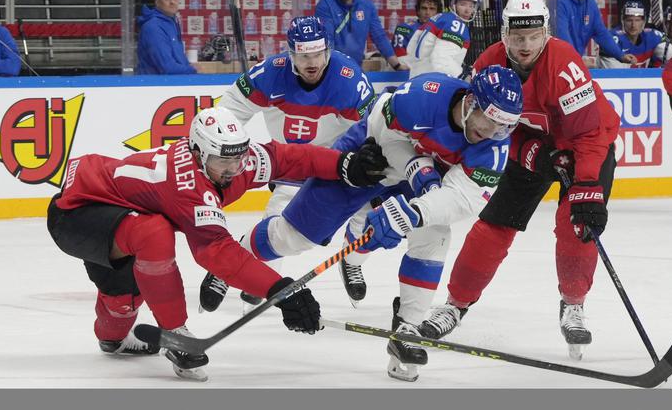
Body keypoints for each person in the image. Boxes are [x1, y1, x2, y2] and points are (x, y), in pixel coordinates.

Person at [222, 66, 523, 382]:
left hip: (422, 182)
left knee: (435, 233)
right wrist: (418, 170)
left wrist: (416, 210)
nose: (491, 133)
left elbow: (463, 198)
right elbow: (385, 131)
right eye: (489, 121)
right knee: (294, 236)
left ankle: (407, 329)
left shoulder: (493, 147)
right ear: (471, 101)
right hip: (370, 156)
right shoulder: (425, 93)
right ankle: (235, 257)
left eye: (503, 127)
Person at [46, 107, 388, 382]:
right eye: (224, 161)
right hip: (76, 215)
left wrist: (343, 165)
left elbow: (287, 159)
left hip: (117, 212)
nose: (235, 168)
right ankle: (175, 332)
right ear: (198, 153)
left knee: (121, 305)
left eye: (238, 158)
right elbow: (217, 253)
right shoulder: (188, 188)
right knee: (154, 233)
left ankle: (114, 333)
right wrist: (280, 289)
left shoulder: (231, 158)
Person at [416, 0, 620, 368]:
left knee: (576, 226)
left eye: (534, 36)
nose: (526, 46)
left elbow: (590, 134)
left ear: (546, 33)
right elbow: (486, 128)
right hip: (531, 144)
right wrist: (531, 155)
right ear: (505, 34)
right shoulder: (486, 66)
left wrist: (587, 190)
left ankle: (573, 304)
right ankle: (456, 304)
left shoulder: (565, 65)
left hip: (587, 144)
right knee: (493, 225)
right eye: (518, 37)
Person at [197, 15, 377, 312]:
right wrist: (224, 151)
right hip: (292, 162)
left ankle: (353, 261)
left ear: (328, 50)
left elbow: (373, 128)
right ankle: (232, 269)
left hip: (339, 161)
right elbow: (228, 112)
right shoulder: (270, 73)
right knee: (277, 228)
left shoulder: (349, 80)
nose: (312, 62)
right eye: (303, 54)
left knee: (371, 214)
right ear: (290, 53)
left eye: (318, 53)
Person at [315, 0, 407, 70]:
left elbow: (379, 37)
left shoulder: (366, 6)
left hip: (356, 67)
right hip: (332, 67)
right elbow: (327, 39)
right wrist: (330, 69)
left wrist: (397, 65)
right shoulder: (325, 5)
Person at [557, 0, 637, 68]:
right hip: (559, 62)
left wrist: (621, 55)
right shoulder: (560, 3)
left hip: (573, 62)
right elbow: (563, 37)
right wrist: (575, 60)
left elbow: (602, 34)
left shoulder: (591, 4)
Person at [404, 0, 478, 79]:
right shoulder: (456, 24)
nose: (467, 10)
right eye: (462, 4)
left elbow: (410, 52)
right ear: (453, 4)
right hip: (433, 83)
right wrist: (464, 76)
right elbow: (441, 60)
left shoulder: (439, 18)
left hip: (415, 79)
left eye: (471, 6)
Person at [136, 0, 197, 75]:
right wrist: (193, 70)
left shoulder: (172, 23)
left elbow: (179, 60)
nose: (172, 2)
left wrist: (189, 67)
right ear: (157, 2)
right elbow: (167, 67)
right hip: (156, 86)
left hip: (172, 85)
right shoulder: (153, 27)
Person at [598, 1, 672, 68]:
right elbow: (615, 76)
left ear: (644, 21)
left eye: (637, 20)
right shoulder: (611, 39)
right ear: (623, 21)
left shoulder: (653, 36)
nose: (633, 25)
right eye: (629, 20)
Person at [391, 0, 441, 68]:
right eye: (424, 8)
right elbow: (400, 58)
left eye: (432, 9)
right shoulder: (404, 28)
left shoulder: (443, 31)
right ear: (418, 11)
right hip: (408, 73)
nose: (427, 13)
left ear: (438, 13)